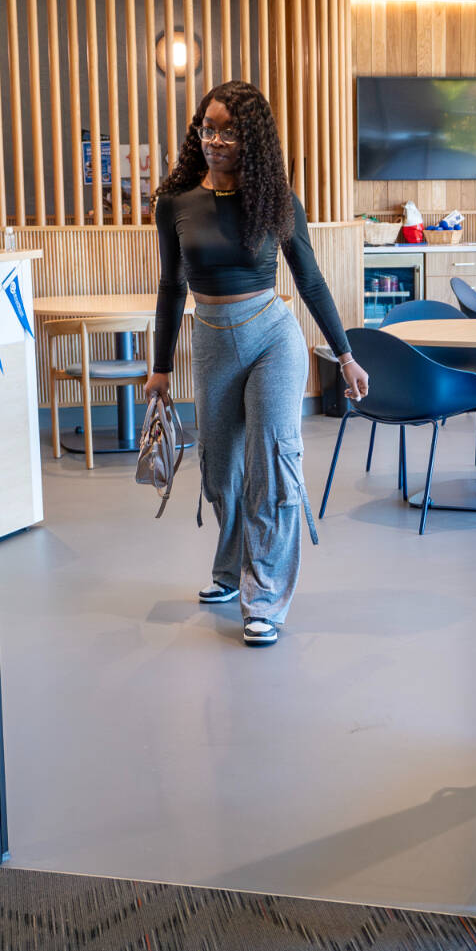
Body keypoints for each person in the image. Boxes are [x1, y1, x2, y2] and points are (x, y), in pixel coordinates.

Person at [144, 81, 369, 648]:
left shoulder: (277, 200)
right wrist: (160, 367)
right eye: (208, 128)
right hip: (212, 342)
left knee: (270, 466)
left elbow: (310, 280)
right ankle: (230, 569)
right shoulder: (174, 203)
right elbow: (172, 288)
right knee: (221, 474)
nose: (216, 140)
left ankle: (262, 598)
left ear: (252, 138)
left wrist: (345, 355)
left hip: (273, 338)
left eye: (229, 130)